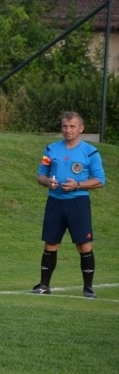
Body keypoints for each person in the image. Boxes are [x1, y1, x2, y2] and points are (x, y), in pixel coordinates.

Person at [32, 111, 106, 299]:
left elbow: (99, 180)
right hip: (55, 202)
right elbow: (40, 174)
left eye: (72, 126)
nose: (68, 130)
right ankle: (44, 285)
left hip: (78, 203)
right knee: (51, 243)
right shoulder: (50, 149)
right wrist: (47, 181)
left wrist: (78, 185)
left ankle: (88, 288)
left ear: (81, 128)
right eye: (65, 126)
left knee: (84, 245)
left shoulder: (90, 152)